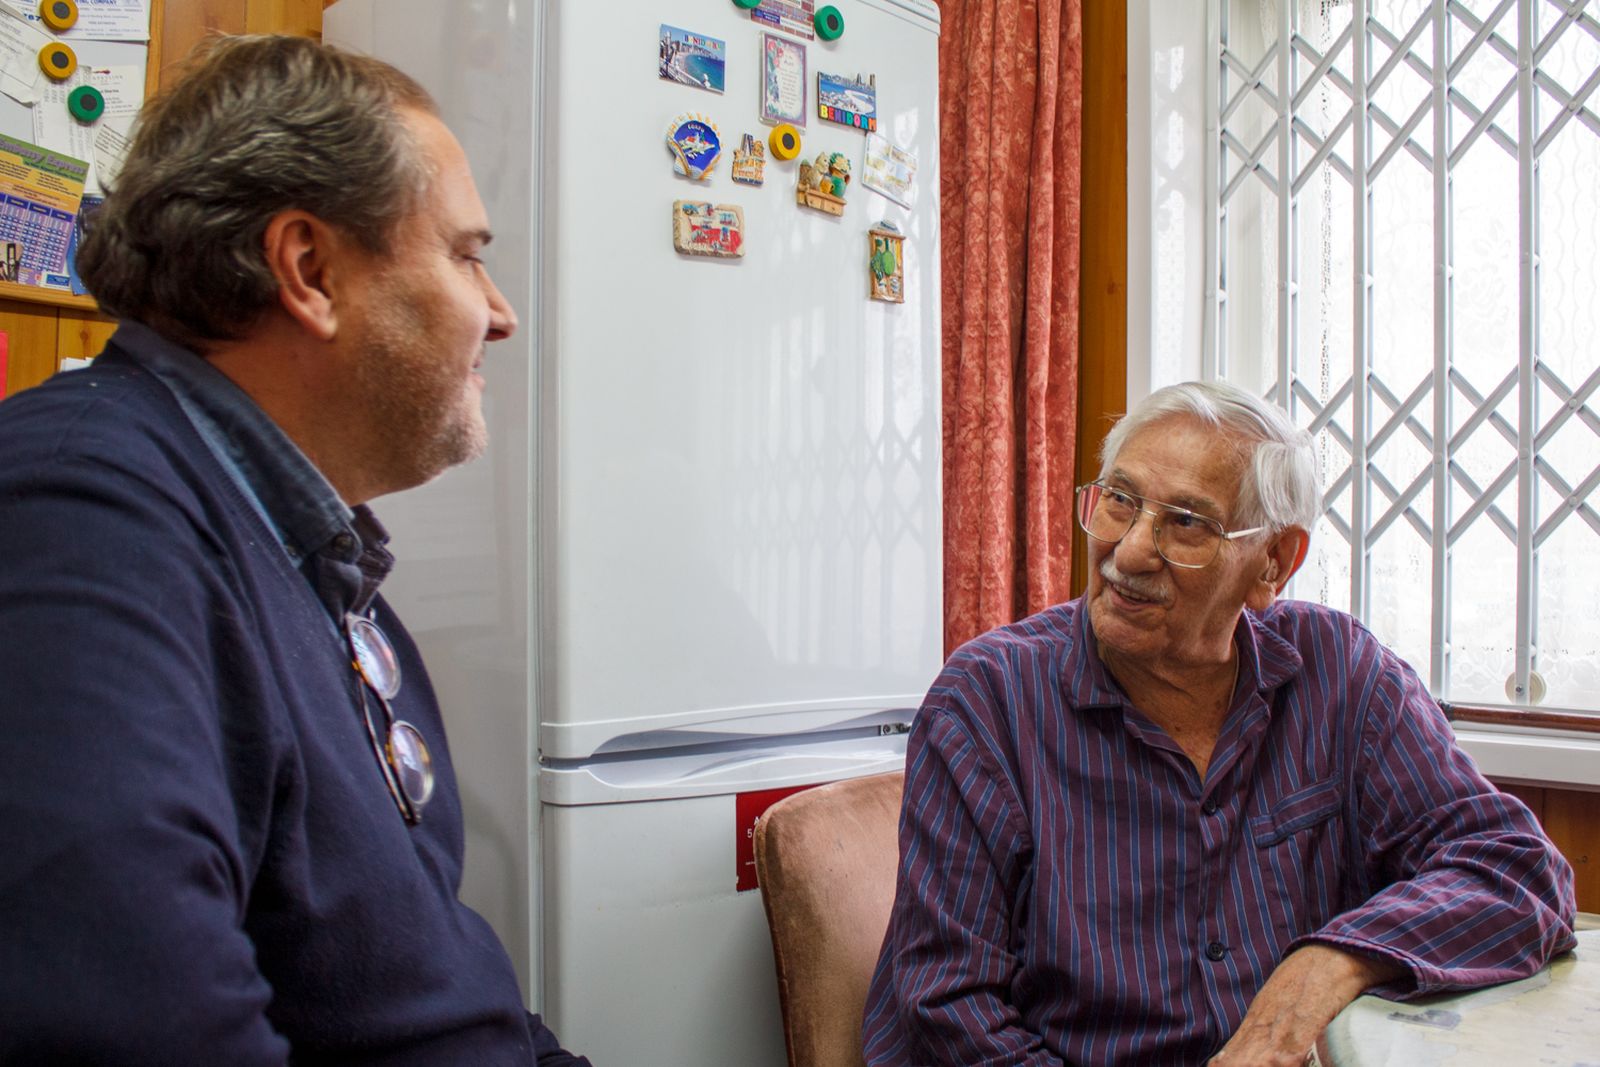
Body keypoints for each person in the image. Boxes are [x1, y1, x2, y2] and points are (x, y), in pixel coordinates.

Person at [0, 35, 589, 1066]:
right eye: (464, 252)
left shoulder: (309, 558)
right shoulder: (78, 506)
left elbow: (428, 979)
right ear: (309, 269)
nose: (498, 313)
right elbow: (129, 1029)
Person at [861, 381, 1576, 1066]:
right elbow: (946, 1007)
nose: (1130, 550)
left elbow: (1515, 869)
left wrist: (1326, 963)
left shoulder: (1341, 672)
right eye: (1119, 501)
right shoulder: (989, 701)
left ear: (1274, 562)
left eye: (1187, 523)